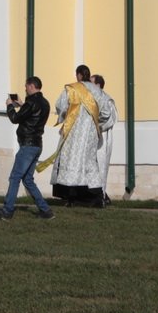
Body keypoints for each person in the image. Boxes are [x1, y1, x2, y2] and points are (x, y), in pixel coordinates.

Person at [40, 64, 109, 207]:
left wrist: (66, 115)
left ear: (78, 75)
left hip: (74, 133)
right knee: (89, 163)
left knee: (71, 162)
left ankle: (72, 198)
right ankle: (96, 198)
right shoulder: (98, 92)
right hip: (90, 134)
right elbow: (107, 112)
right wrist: (95, 123)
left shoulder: (72, 89)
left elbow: (60, 106)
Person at [0, 75, 54, 221]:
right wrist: (22, 104)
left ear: (32, 86)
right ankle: (46, 211)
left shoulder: (31, 102)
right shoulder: (45, 103)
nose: (25, 89)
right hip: (37, 144)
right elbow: (31, 114)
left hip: (27, 145)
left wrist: (9, 105)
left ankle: (7, 211)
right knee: (28, 180)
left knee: (15, 178)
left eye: (26, 86)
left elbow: (15, 119)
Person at [89, 73, 118, 206]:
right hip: (92, 139)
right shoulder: (90, 99)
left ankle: (101, 197)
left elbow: (111, 119)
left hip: (102, 140)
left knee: (101, 167)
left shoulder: (107, 100)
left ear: (98, 85)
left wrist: (96, 125)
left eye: (91, 82)